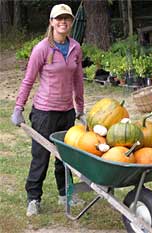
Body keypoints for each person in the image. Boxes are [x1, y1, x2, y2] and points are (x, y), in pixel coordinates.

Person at [11, 4, 85, 217]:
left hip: (67, 111)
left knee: (66, 157)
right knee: (40, 157)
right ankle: (34, 198)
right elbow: (28, 80)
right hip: (44, 112)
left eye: (67, 19)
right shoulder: (41, 49)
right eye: (59, 19)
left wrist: (79, 108)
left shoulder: (75, 48)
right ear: (51, 22)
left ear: (71, 22)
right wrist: (18, 108)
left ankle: (66, 194)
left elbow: (78, 80)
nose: (63, 22)